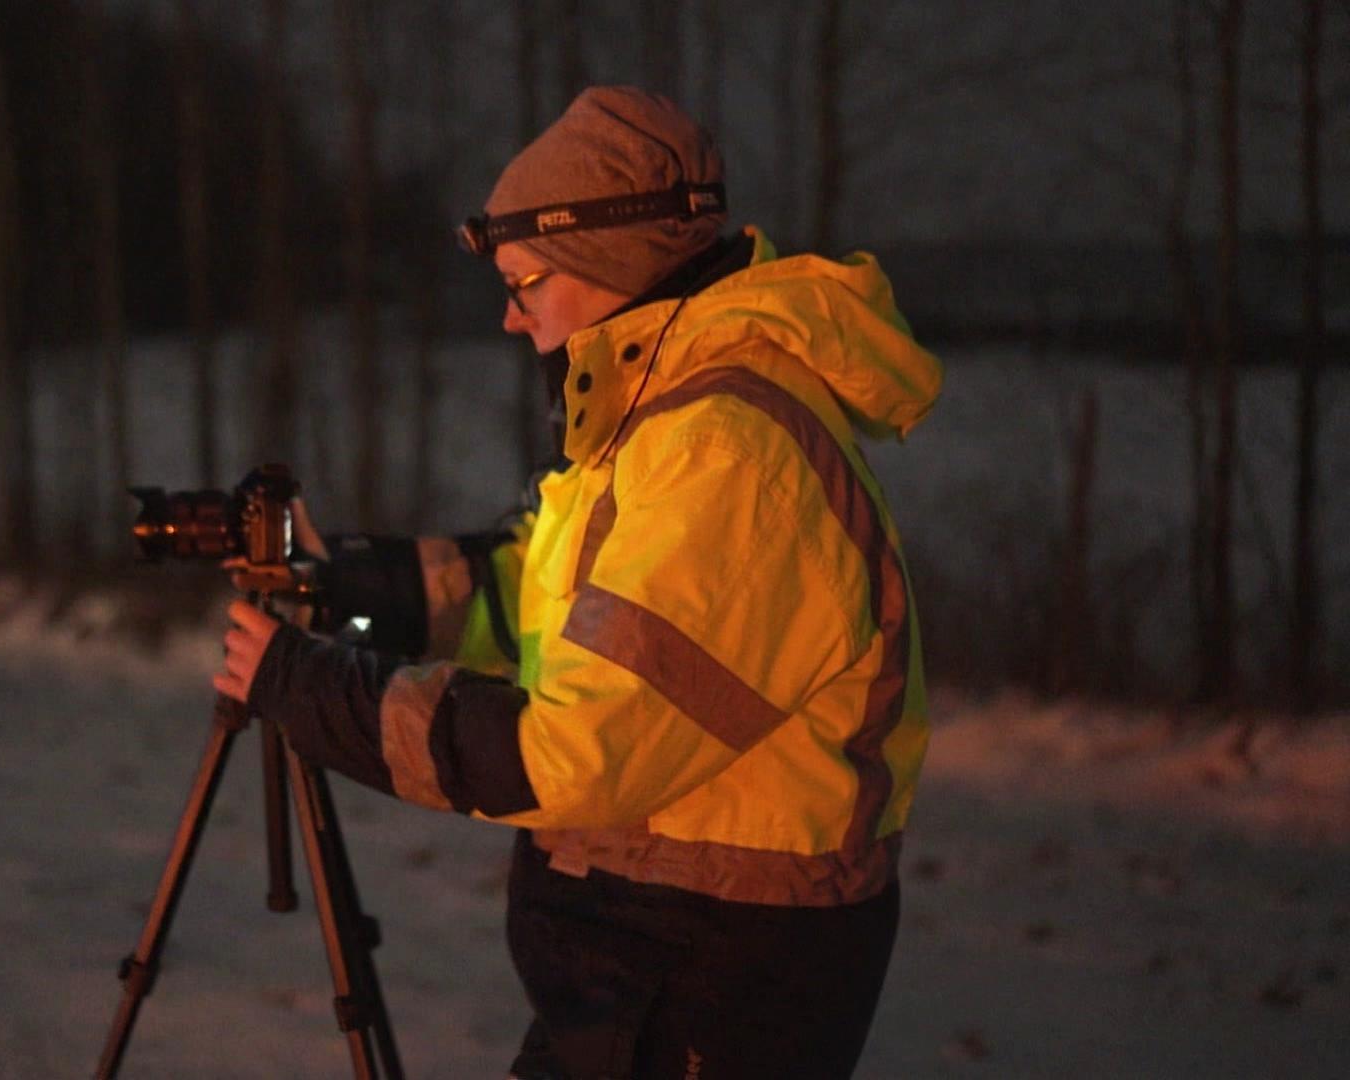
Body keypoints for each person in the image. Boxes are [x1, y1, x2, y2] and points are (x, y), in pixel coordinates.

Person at [214, 86, 942, 1079]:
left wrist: (318, 691)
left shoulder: (723, 454)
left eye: (526, 285)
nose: (512, 321)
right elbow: (536, 599)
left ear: (615, 264)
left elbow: (576, 753)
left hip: (713, 971)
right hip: (654, 954)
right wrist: (351, 582)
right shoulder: (661, 413)